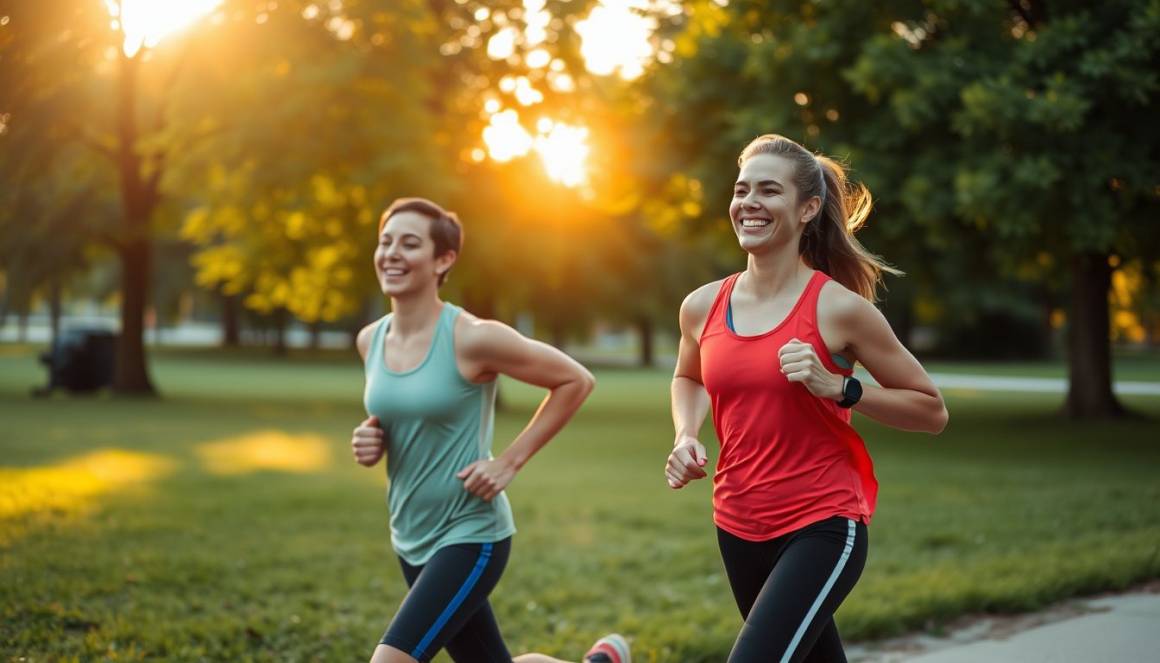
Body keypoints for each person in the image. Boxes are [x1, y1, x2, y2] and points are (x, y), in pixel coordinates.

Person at [665, 134, 948, 662]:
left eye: (769, 191)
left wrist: (842, 387)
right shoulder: (702, 306)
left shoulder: (840, 310)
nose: (749, 202)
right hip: (736, 521)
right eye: (741, 189)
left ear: (808, 208)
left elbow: (931, 410)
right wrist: (685, 434)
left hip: (822, 522)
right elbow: (690, 377)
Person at [350, 197, 629, 663]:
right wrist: (370, 437)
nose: (392, 253)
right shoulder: (370, 340)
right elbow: (400, 410)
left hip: (469, 533)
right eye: (386, 242)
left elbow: (575, 380)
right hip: (409, 535)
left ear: (443, 260)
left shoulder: (472, 336)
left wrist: (509, 461)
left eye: (410, 243)